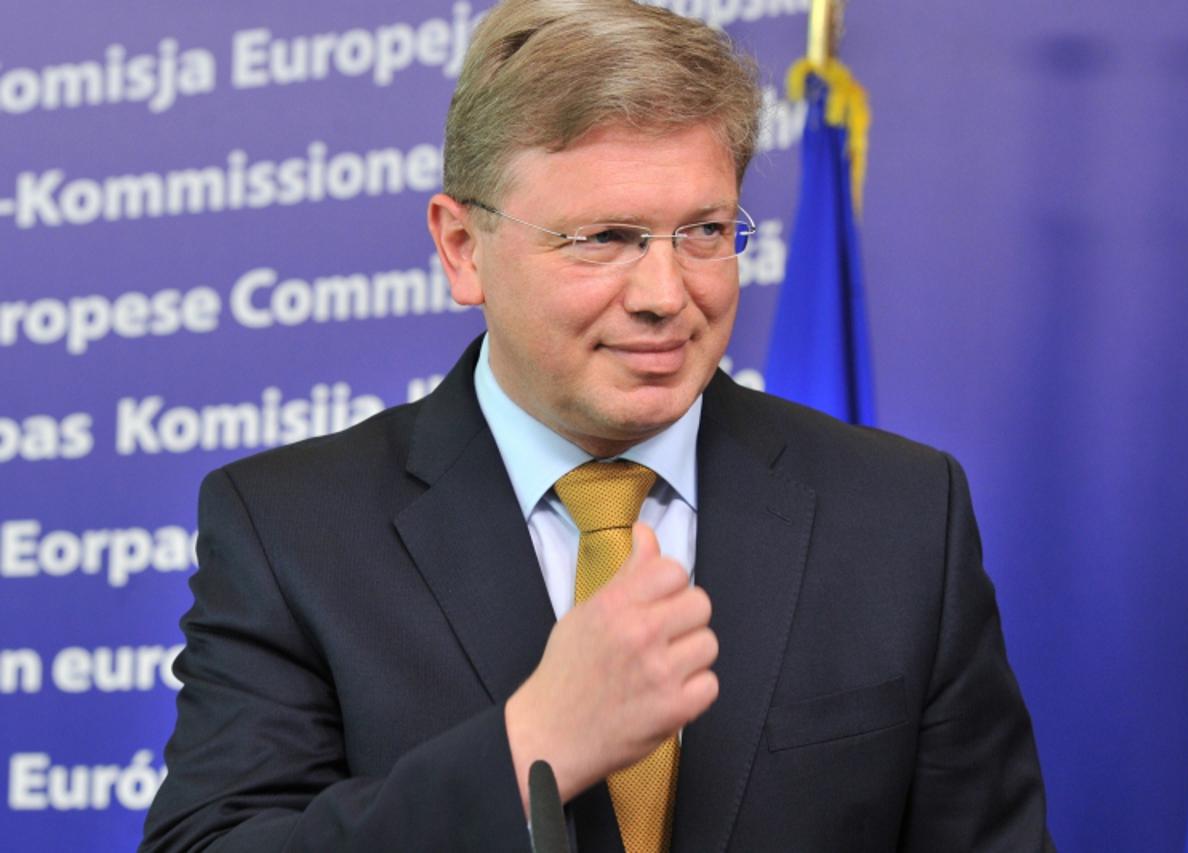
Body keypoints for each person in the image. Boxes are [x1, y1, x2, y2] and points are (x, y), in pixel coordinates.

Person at [142, 0, 1053, 849]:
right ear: (463, 249)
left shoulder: (900, 514)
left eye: (703, 231)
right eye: (605, 238)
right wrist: (531, 743)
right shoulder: (288, 527)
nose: (666, 296)